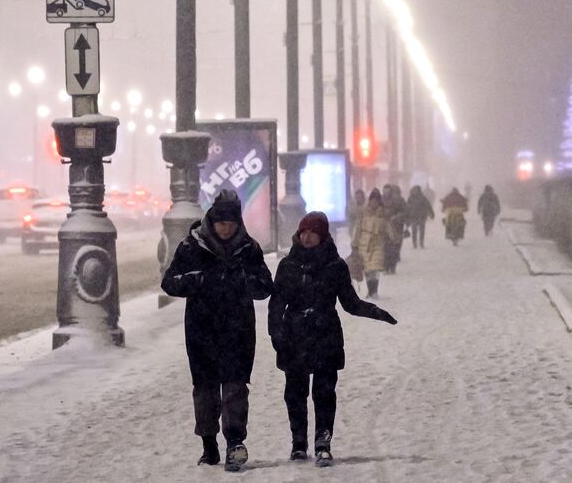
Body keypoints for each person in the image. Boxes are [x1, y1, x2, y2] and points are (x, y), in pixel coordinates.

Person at [269, 212, 397, 467]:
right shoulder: (288, 265)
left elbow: (350, 303)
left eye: (312, 232)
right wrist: (276, 333)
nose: (306, 237)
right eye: (303, 231)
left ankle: (323, 442)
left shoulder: (335, 266)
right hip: (294, 336)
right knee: (294, 393)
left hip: (324, 335)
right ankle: (298, 443)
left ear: (322, 235)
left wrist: (375, 312)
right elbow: (277, 304)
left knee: (324, 392)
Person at [161, 188, 274, 473]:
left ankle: (234, 442)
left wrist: (249, 282)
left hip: (238, 330)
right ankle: (209, 445)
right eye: (222, 223)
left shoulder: (249, 249)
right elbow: (170, 282)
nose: (226, 228)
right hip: (202, 329)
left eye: (231, 223)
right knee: (205, 388)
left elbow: (265, 285)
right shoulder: (192, 247)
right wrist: (196, 281)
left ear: (238, 223)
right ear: (212, 221)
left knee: (236, 387)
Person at [349, 188, 390, 298]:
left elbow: (388, 227)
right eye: (372, 200)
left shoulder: (383, 214)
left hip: (378, 243)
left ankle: (374, 291)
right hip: (364, 244)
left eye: (376, 201)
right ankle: (370, 291)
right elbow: (357, 228)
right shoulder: (363, 213)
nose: (374, 203)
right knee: (367, 268)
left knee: (375, 267)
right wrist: (354, 243)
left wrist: (393, 237)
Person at [382, 185, 408, 274]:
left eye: (388, 190)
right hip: (383, 228)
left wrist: (397, 217)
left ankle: (392, 266)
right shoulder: (379, 200)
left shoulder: (399, 200)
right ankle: (385, 267)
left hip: (396, 227)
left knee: (394, 248)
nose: (386, 192)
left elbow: (405, 211)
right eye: (385, 190)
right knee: (384, 248)